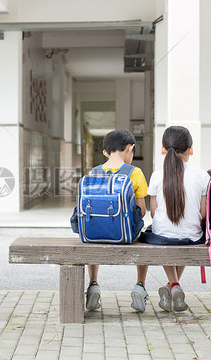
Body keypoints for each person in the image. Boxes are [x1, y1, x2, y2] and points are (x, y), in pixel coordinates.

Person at [140, 125, 210, 312]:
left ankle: (173, 285)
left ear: (163, 149)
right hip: (192, 236)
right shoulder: (203, 177)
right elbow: (203, 214)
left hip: (163, 235)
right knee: (184, 235)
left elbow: (154, 215)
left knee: (164, 234)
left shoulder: (156, 176)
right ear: (191, 150)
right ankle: (174, 285)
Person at [85, 130, 149, 313]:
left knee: (93, 235)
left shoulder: (94, 172)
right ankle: (140, 285)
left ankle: (93, 284)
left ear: (105, 152)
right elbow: (142, 211)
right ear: (130, 148)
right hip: (126, 235)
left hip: (95, 233)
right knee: (145, 237)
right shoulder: (135, 173)